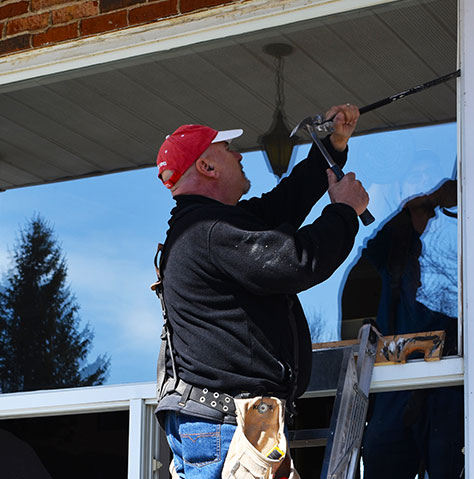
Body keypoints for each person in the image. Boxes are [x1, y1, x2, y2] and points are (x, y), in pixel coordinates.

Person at [154, 104, 368, 479]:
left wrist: (332, 147)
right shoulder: (208, 232)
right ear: (207, 167)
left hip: (232, 426)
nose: (240, 155)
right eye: (229, 151)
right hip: (227, 429)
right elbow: (297, 261)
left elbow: (286, 202)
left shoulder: (212, 227)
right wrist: (344, 212)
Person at [351, 179, 464, 479]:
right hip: (390, 417)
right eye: (415, 262)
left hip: (430, 417)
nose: (422, 278)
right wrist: (432, 200)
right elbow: (387, 243)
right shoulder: (387, 301)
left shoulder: (436, 323)